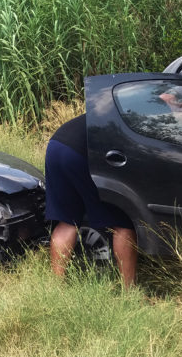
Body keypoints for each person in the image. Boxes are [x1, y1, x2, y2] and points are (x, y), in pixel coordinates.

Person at [45, 114, 137, 288]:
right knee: (123, 222)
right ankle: (130, 290)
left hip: (56, 145)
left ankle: (56, 287)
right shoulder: (138, 108)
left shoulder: (119, 100)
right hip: (79, 152)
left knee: (66, 221)